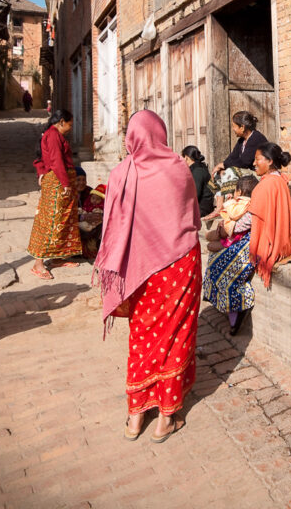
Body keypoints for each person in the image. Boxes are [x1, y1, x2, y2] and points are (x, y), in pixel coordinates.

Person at [94, 110, 202, 443]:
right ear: (161, 134)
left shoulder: (119, 174)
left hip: (139, 271)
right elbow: (193, 218)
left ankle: (135, 417)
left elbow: (112, 228)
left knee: (142, 338)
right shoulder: (178, 169)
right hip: (179, 265)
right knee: (175, 337)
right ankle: (166, 418)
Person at [28, 109, 82, 279]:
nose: (70, 128)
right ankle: (38, 264)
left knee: (62, 220)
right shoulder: (52, 136)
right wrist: (65, 183)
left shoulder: (54, 135)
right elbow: (56, 160)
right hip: (57, 184)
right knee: (49, 221)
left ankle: (57, 257)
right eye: (69, 125)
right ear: (61, 122)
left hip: (60, 182)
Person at [203, 176, 259, 335]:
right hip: (236, 242)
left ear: (240, 191)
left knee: (225, 270)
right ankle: (226, 306)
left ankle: (238, 309)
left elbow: (241, 225)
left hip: (245, 246)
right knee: (214, 259)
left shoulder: (250, 207)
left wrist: (226, 228)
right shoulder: (240, 206)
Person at [249, 142, 291, 288]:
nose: (254, 163)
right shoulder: (280, 180)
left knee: (219, 255)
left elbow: (253, 220)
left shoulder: (266, 185)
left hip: (268, 244)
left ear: (270, 161)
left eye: (257, 159)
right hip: (282, 243)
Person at [207, 111, 267, 218]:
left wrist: (224, 165)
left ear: (242, 127)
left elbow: (245, 162)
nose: (233, 129)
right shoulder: (241, 141)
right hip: (245, 172)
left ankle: (232, 206)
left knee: (229, 172)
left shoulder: (256, 138)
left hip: (258, 174)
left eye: (234, 126)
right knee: (219, 173)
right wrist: (222, 166)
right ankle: (219, 207)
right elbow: (232, 157)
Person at [205, 174, 258, 253]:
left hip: (234, 237)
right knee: (208, 237)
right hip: (230, 233)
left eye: (235, 191)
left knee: (210, 245)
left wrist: (229, 202)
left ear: (239, 192)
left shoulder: (243, 203)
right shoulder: (249, 202)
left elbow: (233, 214)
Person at [182, 145, 214, 217]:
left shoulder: (198, 171)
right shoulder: (198, 168)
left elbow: (195, 194)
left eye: (183, 157)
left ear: (187, 158)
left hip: (202, 208)